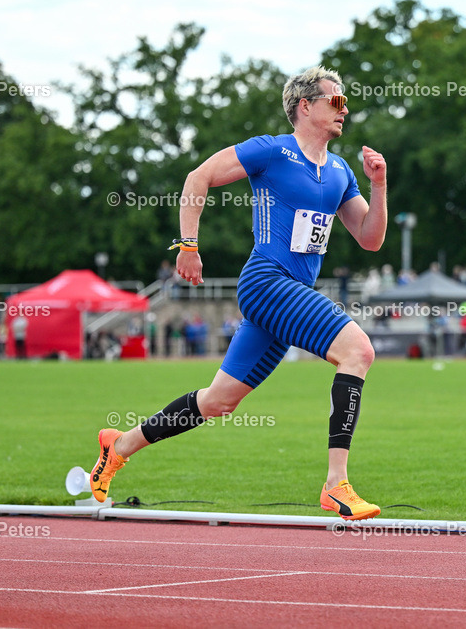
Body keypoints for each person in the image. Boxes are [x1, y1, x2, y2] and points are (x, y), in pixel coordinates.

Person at [89, 66, 388, 521]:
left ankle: (119, 446)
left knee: (218, 401)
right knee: (358, 351)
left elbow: (370, 238)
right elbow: (198, 177)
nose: (344, 109)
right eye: (336, 100)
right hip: (267, 283)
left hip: (290, 295)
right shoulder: (272, 150)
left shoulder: (340, 171)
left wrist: (378, 185)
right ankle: (336, 485)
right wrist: (188, 246)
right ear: (305, 106)